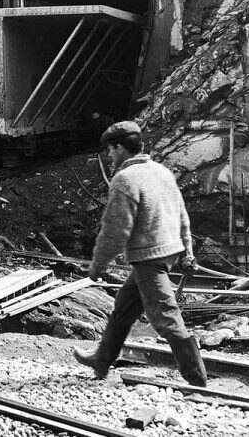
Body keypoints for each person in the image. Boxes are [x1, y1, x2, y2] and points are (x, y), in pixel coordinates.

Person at [73, 121, 208, 387]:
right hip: (167, 252)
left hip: (149, 258)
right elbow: (182, 215)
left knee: (166, 317)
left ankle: (197, 379)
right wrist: (187, 252)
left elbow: (115, 231)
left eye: (110, 150)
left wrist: (97, 265)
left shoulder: (124, 179)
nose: (109, 156)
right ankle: (102, 359)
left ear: (119, 148)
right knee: (124, 307)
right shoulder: (161, 171)